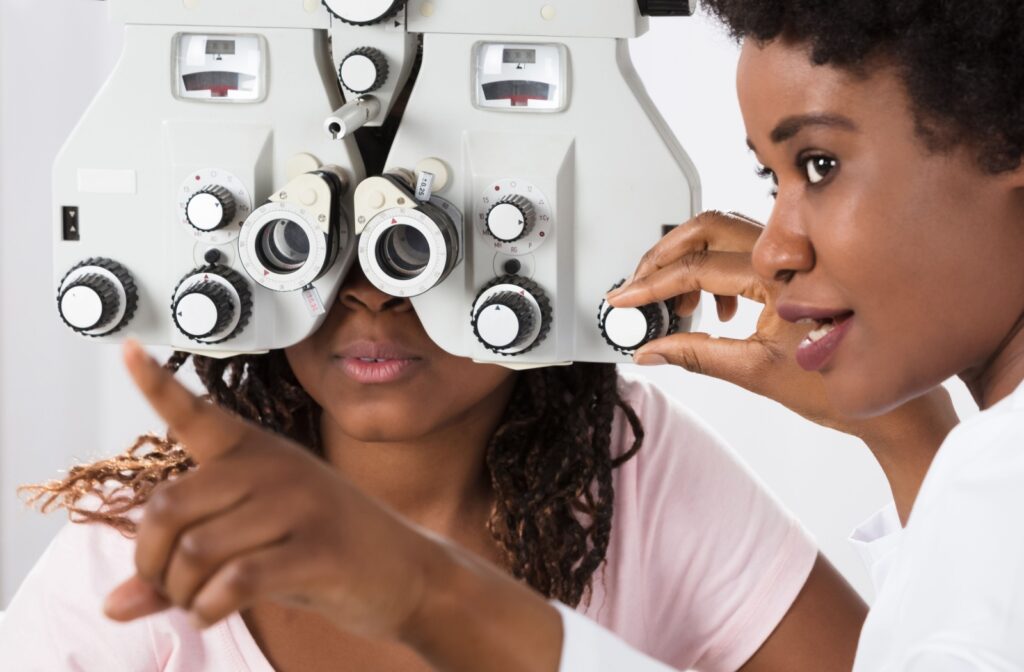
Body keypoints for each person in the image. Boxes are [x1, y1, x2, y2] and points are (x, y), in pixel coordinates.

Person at [0, 263, 875, 671]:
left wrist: (901, 428)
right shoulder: (144, 536)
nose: (373, 291)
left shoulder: (633, 467)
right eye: (325, 237)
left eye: (422, 241)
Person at [601, 0, 1024, 669]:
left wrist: (438, 598)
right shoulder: (991, 481)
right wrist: (910, 436)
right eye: (773, 179)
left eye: (820, 165)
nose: (772, 251)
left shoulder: (997, 480)